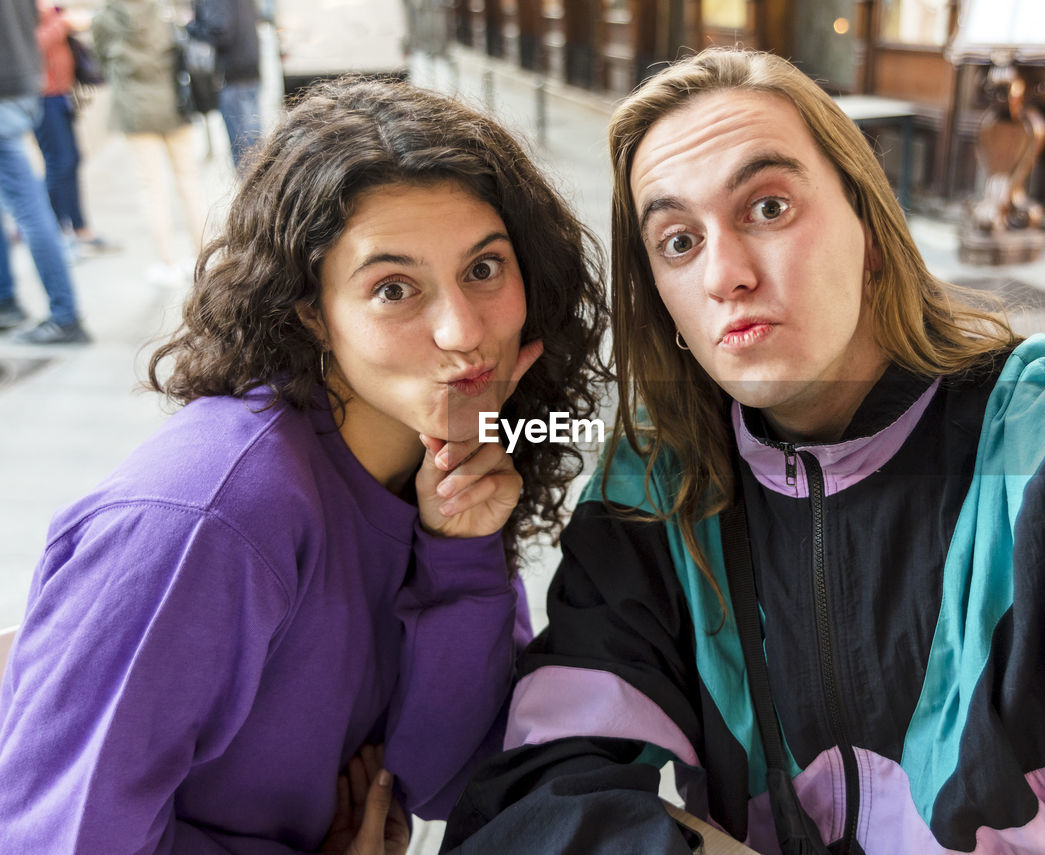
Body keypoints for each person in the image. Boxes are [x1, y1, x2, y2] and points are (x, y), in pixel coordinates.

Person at [442, 48, 1045, 854]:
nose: (724, 273)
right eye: (678, 242)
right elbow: (537, 791)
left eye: (767, 207)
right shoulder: (657, 500)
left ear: (870, 227)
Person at [0, 76, 609, 854]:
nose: (462, 331)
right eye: (394, 289)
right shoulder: (209, 519)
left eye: (484, 270)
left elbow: (449, 777)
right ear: (311, 311)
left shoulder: (438, 467)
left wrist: (460, 556)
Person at [92, 0, 209, 288]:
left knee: (152, 187)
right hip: (174, 105)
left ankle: (167, 262)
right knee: (189, 182)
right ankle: (203, 256)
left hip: (135, 110)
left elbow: (102, 61)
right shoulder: (162, 11)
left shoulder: (104, 19)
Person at [0, 0, 90, 344]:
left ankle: (65, 315)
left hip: (8, 88)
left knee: (29, 208)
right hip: (25, 84)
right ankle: (6, 300)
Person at [34, 0, 116, 259]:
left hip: (61, 95)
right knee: (58, 164)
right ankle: (61, 233)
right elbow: (34, 45)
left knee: (72, 160)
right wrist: (63, 23)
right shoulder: (27, 12)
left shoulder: (52, 12)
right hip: (43, 98)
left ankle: (80, 228)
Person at [187, 0, 261, 173]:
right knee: (256, 145)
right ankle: (264, 192)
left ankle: (254, 195)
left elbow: (221, 31)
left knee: (244, 151)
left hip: (233, 74)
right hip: (250, 68)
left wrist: (192, 27)